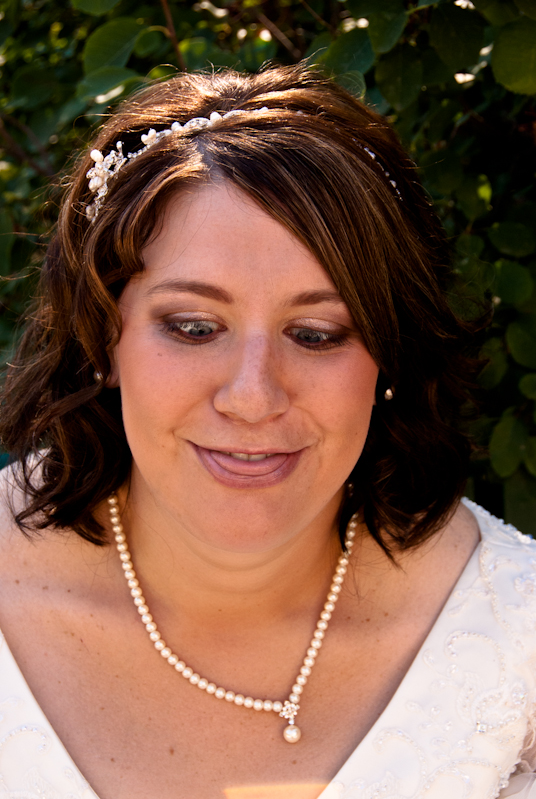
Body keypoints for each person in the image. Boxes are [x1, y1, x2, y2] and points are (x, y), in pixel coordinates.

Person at [0, 63, 534, 799]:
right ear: (103, 336)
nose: (252, 398)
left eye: (316, 334)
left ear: (390, 354)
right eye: (193, 327)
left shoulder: (518, 643)